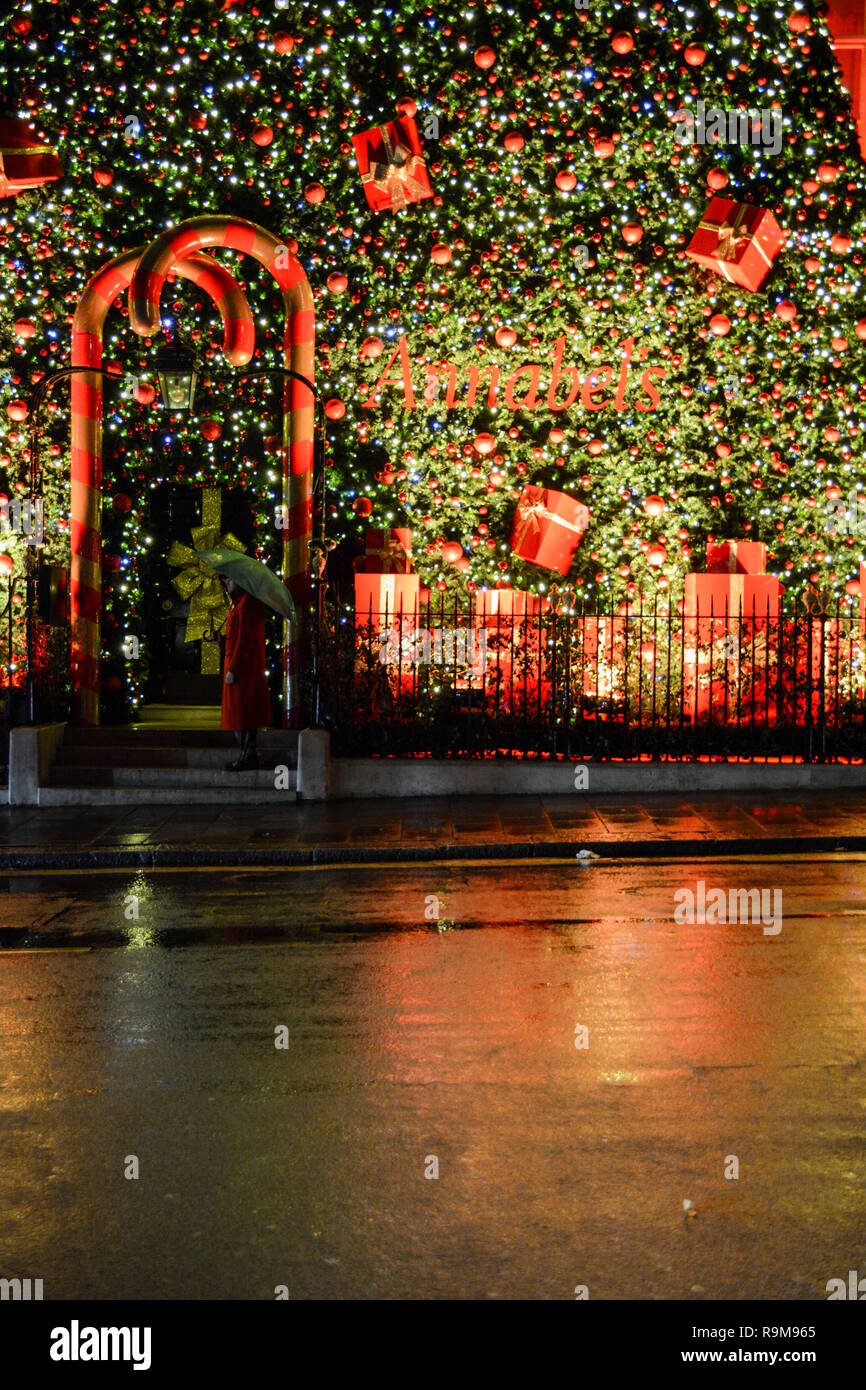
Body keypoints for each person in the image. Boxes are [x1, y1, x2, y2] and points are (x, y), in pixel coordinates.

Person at [221, 579, 271, 771]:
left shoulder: (248, 603)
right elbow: (235, 636)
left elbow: (245, 639)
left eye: (231, 580)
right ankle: (245, 755)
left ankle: (248, 756)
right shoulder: (238, 603)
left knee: (244, 716)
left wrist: (234, 669)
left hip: (244, 670)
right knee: (238, 716)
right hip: (236, 665)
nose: (227, 584)